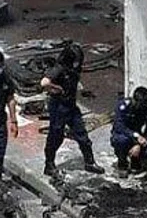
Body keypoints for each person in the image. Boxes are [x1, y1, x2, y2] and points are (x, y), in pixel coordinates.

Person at [40, 43, 105, 176]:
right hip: (58, 107)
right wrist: (57, 88)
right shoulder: (59, 68)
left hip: (71, 106)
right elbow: (44, 82)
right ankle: (49, 164)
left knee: (82, 135)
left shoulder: (74, 70)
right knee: (55, 136)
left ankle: (89, 162)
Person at [110, 86, 147, 174]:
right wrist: (135, 136)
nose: (139, 106)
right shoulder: (124, 105)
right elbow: (119, 126)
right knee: (121, 141)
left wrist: (139, 144)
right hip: (125, 134)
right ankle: (122, 163)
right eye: (138, 103)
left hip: (139, 138)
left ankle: (136, 161)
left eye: (143, 104)